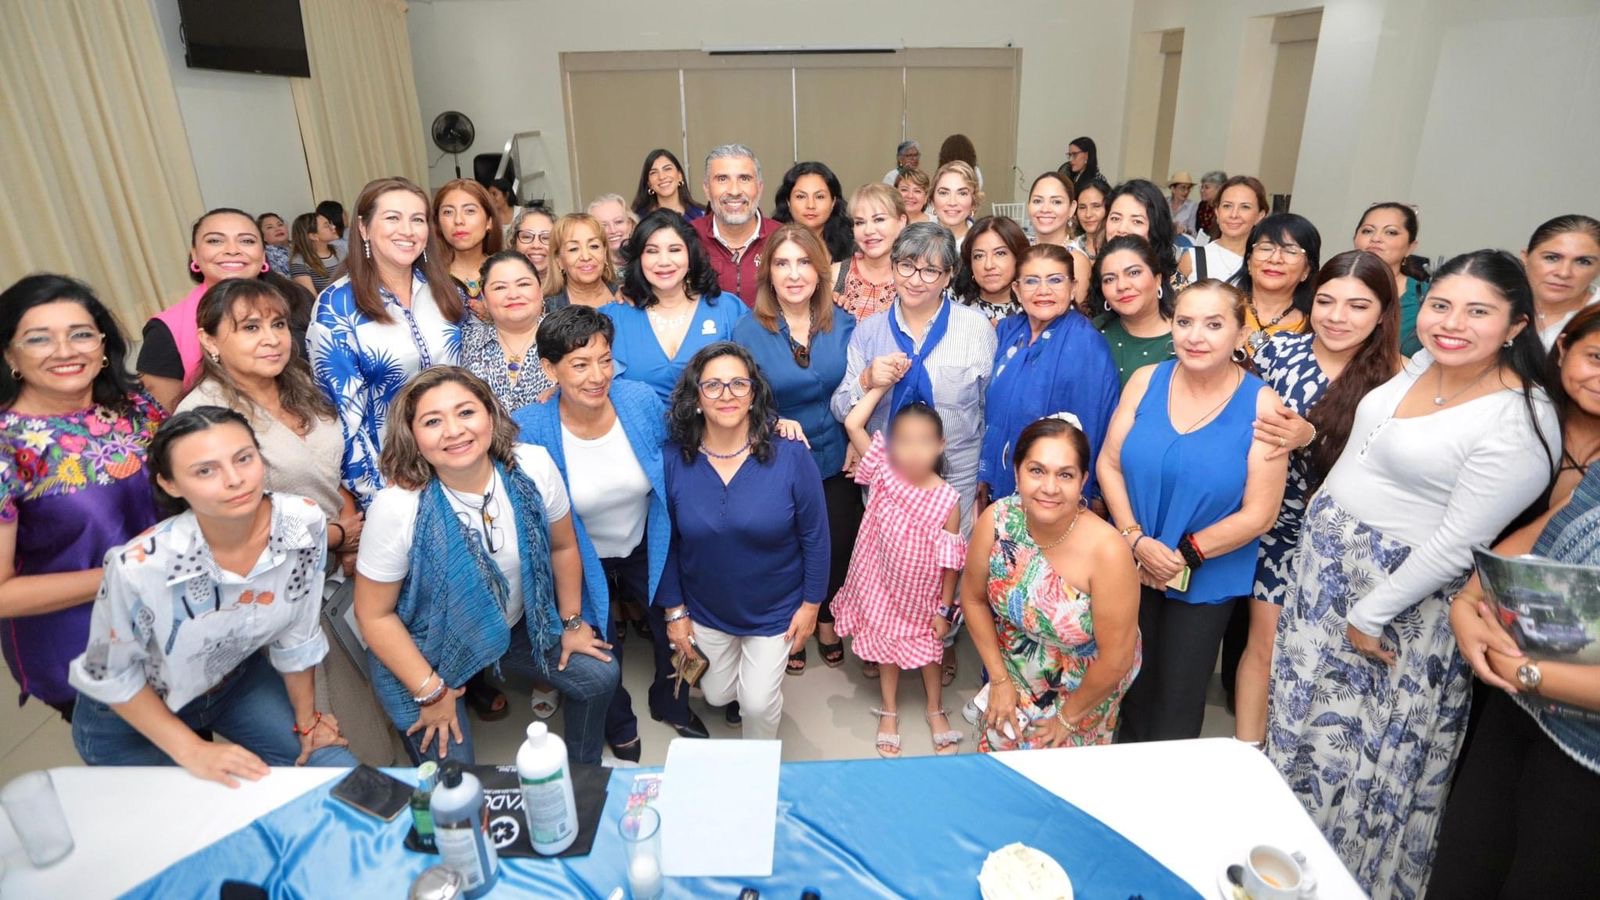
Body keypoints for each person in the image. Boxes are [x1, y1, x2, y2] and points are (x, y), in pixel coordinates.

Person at [1267, 250, 1560, 900]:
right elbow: (1369, 445)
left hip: (1395, 606)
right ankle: (1284, 868)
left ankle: (1339, 885)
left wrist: (1370, 613)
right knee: (1306, 734)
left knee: (1361, 758)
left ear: (1516, 323)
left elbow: (1461, 542)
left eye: (1478, 311)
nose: (1452, 322)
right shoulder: (1426, 364)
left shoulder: (1520, 419)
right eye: (1441, 305)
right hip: (1325, 584)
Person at [68, 407, 357, 781]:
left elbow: (297, 633)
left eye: (244, 458)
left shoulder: (303, 522)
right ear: (171, 484)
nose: (235, 479)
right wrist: (194, 750)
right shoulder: (139, 566)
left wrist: (307, 723)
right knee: (188, 826)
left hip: (235, 684)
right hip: (133, 713)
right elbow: (111, 676)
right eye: (205, 470)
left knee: (333, 771)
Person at [355, 367, 618, 763]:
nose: (454, 430)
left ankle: (585, 774)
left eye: (465, 412)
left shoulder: (533, 466)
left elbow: (563, 548)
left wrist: (571, 623)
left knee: (600, 676)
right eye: (432, 421)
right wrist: (430, 691)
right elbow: (374, 616)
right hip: (425, 653)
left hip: (513, 626)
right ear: (412, 436)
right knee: (454, 781)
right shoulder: (397, 507)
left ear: (490, 415)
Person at [1430, 306, 1600, 898]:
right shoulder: (1532, 417)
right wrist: (1469, 598)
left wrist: (1526, 672)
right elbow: (1550, 524)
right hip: (1516, 702)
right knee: (1465, 863)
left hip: (1583, 751)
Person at [1098, 280, 1289, 742]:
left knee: (1178, 700)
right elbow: (1108, 463)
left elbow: (1260, 512)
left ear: (1240, 335)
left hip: (1205, 576)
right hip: (1132, 561)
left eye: (1214, 324)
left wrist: (1182, 554)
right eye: (1184, 322)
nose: (1195, 336)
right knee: (1127, 684)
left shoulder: (1261, 402)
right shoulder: (1147, 381)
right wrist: (1135, 539)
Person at [517, 306, 711, 750]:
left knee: (674, 629)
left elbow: (685, 443)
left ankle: (672, 703)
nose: (597, 376)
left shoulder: (638, 400)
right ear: (549, 369)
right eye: (580, 365)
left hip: (646, 538)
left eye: (604, 360)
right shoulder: (531, 427)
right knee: (601, 646)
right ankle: (618, 722)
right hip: (579, 555)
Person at [1231, 251, 1403, 748]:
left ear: (1382, 312)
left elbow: (1386, 469)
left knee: (1322, 658)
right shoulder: (1276, 351)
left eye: (1357, 305)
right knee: (1262, 646)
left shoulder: (1396, 379)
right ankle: (1248, 754)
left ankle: (1299, 758)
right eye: (1326, 301)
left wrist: (1314, 437)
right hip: (1274, 530)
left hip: (1345, 542)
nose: (1337, 316)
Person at [0, 274, 165, 720]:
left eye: (80, 334)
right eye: (39, 339)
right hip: (86, 650)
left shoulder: (137, 409)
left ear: (102, 343)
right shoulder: (7, 445)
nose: (66, 350)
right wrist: (129, 575)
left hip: (177, 627)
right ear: (9, 354)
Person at [658, 343, 829, 739]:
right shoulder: (673, 460)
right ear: (696, 397)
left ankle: (758, 763)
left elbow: (816, 537)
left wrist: (811, 604)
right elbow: (665, 545)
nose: (727, 394)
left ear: (754, 394)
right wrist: (674, 613)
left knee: (755, 704)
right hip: (707, 607)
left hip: (776, 610)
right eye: (713, 385)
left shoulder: (791, 455)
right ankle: (749, 688)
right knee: (716, 694)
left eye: (738, 383)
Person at [964, 417, 1141, 750]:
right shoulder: (998, 521)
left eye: (1065, 475)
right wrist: (999, 680)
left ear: (1083, 481)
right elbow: (973, 600)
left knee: (1059, 784)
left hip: (1087, 685)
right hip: (1015, 665)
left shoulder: (1108, 552)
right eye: (1036, 470)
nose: (1049, 487)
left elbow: (1117, 658)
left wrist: (1067, 718)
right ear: (1016, 472)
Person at [733, 225, 859, 674]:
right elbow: (735, 395)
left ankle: (826, 617)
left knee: (839, 540)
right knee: (791, 546)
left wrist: (859, 441)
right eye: (782, 263)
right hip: (777, 456)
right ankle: (796, 622)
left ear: (820, 270)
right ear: (768, 273)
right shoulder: (747, 329)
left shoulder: (845, 323)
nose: (793, 274)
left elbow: (858, 389)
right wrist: (771, 419)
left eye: (803, 262)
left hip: (837, 452)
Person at [180, 279, 361, 567]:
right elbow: (228, 529)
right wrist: (335, 537)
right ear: (209, 340)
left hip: (342, 563)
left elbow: (326, 473)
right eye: (251, 327)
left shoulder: (300, 382)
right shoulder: (201, 416)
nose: (273, 339)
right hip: (272, 579)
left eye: (278, 324)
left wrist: (351, 534)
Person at [832, 222, 998, 535]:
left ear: (948, 275)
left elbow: (989, 408)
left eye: (930, 271)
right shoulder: (869, 332)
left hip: (956, 481)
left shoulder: (976, 329)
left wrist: (983, 478)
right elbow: (841, 408)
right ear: (893, 266)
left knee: (951, 574)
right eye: (906, 266)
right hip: (886, 484)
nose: (915, 280)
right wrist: (866, 380)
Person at [307, 176, 463, 508]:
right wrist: (380, 497)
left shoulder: (445, 291)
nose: (407, 230)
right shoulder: (336, 307)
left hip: (463, 464)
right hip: (396, 483)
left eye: (417, 219)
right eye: (392, 218)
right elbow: (340, 417)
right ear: (363, 228)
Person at [834, 392, 965, 757]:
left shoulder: (948, 499)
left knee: (929, 654)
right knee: (887, 651)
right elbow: (852, 423)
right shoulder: (883, 473)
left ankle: (935, 709)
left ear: (940, 445)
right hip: (880, 587)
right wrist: (878, 387)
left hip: (923, 595)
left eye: (924, 442)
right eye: (903, 441)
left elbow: (951, 560)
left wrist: (944, 608)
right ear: (891, 445)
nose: (913, 451)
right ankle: (888, 710)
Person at [978, 245, 1120, 510]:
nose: (1043, 290)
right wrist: (984, 473)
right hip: (999, 487)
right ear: (1017, 289)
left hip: (1054, 496)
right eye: (1032, 281)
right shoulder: (1007, 331)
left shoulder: (1085, 344)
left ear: (1073, 287)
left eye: (1055, 280)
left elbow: (1093, 428)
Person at [140, 208, 311, 411]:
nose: (232, 250)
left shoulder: (296, 298)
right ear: (194, 254)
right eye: (215, 241)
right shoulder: (166, 330)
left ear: (263, 253)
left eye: (247, 241)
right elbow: (167, 420)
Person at [603, 210, 748, 402]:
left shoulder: (728, 309)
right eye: (652, 251)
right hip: (638, 430)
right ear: (639, 259)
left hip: (715, 430)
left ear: (690, 256)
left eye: (674, 250)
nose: (664, 261)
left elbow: (756, 379)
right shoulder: (612, 317)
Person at [460, 251, 553, 412]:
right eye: (500, 287)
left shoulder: (567, 336)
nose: (513, 294)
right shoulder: (464, 342)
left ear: (540, 290)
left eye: (523, 284)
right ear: (484, 297)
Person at [691, 144, 780, 305]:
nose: (734, 191)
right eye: (722, 179)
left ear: (759, 188)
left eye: (744, 179)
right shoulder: (687, 237)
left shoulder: (783, 237)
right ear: (706, 189)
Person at [1233, 213, 1321, 354]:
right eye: (1266, 248)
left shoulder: (1316, 327)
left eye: (1291, 251)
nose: (1275, 259)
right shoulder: (1222, 307)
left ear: (1306, 270)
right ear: (1249, 262)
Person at [1093, 235, 1176, 384]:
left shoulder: (1187, 337)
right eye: (1109, 279)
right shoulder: (1094, 333)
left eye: (1133, 273)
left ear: (1157, 280)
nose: (1122, 285)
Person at [1352, 202, 1427, 357]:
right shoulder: (1330, 287)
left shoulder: (1427, 297)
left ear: (1411, 247)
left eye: (1391, 232)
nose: (1376, 238)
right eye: (1367, 231)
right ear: (1355, 239)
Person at [831, 182, 907, 321]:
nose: (868, 231)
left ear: (901, 222)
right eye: (860, 222)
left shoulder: (915, 280)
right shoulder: (834, 275)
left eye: (879, 219)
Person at [1524, 213, 1600, 347]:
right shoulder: (1494, 300)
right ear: (1525, 258)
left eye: (1583, 261)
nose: (1564, 273)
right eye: (1552, 258)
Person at [1178, 175, 1265, 286]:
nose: (1234, 215)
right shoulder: (1191, 258)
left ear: (1260, 215)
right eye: (1227, 206)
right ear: (1217, 212)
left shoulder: (1266, 262)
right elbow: (1173, 300)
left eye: (1245, 207)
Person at [1026, 172, 1096, 306]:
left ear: (1072, 208)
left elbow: (1079, 318)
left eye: (1056, 202)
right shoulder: (1019, 248)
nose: (1045, 209)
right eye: (1037, 201)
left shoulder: (1076, 261)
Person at [435, 178, 504, 304]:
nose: (458, 220)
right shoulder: (428, 278)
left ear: (489, 221)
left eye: (470, 211)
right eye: (448, 212)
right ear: (438, 224)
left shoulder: (508, 271)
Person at [1102, 179, 1179, 289]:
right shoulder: (1096, 273)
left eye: (1137, 221)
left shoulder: (1175, 286)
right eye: (1115, 218)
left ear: (1155, 229)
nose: (1122, 229)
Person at [773, 161, 853, 264]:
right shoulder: (771, 243)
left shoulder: (852, 247)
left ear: (833, 202)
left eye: (819, 197)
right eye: (801, 196)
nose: (810, 205)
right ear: (788, 202)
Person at [953, 216, 1027, 324]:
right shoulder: (955, 308)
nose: (988, 265)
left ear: (1018, 257)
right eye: (979, 256)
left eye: (1000, 253)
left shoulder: (1035, 310)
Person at [544, 213, 619, 310]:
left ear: (605, 253)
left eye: (594, 246)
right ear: (559, 260)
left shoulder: (627, 295)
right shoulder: (547, 310)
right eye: (573, 249)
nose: (586, 257)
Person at [632, 148, 706, 222]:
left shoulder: (702, 215)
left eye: (667, 169)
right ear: (649, 184)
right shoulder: (638, 220)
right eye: (654, 172)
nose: (662, 177)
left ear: (680, 176)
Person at [288, 212, 344, 296]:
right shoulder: (299, 262)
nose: (333, 227)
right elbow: (311, 298)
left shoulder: (339, 251)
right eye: (326, 225)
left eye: (330, 223)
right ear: (313, 236)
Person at [931, 161, 981, 248]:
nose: (952, 202)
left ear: (973, 202)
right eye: (944, 193)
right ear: (932, 201)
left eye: (962, 193)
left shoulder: (984, 242)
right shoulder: (916, 242)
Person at [1068, 175, 1112, 265]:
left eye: (1096, 206)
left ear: (1109, 208)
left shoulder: (1120, 247)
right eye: (1082, 207)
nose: (1088, 214)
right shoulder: (1071, 249)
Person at [589, 193, 637, 271]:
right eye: (603, 225)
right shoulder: (591, 268)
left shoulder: (646, 258)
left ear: (630, 224)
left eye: (618, 222)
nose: (613, 230)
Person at [509, 206, 556, 283]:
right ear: (514, 242)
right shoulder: (499, 287)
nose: (536, 245)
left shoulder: (573, 290)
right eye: (527, 237)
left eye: (546, 238)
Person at [1195, 170, 1226, 242]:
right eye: (1201, 187)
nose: (1202, 190)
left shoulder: (1223, 208)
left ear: (1219, 189)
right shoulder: (1202, 206)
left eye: (1206, 187)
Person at [1166, 171, 1198, 236]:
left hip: (1181, 242)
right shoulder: (1164, 202)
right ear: (1173, 189)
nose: (1186, 192)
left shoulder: (1192, 206)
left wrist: (1184, 230)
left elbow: (1193, 232)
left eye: (1188, 188)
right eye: (1183, 188)